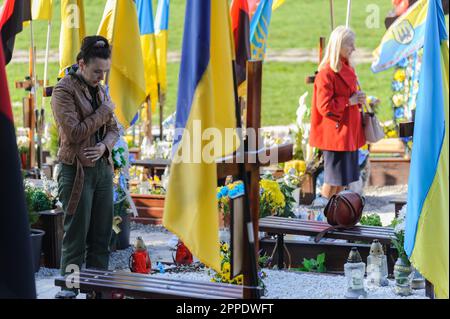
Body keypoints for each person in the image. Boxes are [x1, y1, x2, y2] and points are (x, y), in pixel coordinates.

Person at [51, 35, 119, 298]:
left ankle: (97, 289)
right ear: (81, 63)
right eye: (96, 72)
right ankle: (69, 288)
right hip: (75, 170)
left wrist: (103, 147)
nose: (101, 77)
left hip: (102, 169)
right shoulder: (63, 91)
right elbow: (75, 132)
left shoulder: (100, 90)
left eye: (104, 72)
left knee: (103, 235)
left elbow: (114, 129)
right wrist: (103, 111)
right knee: (76, 235)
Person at [309, 26, 366, 204]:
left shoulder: (347, 68)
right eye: (350, 44)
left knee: (341, 182)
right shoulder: (326, 72)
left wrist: (358, 99)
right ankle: (321, 214)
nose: (354, 48)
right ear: (339, 45)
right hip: (335, 136)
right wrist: (350, 101)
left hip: (347, 134)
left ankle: (334, 216)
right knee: (332, 181)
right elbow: (324, 106)